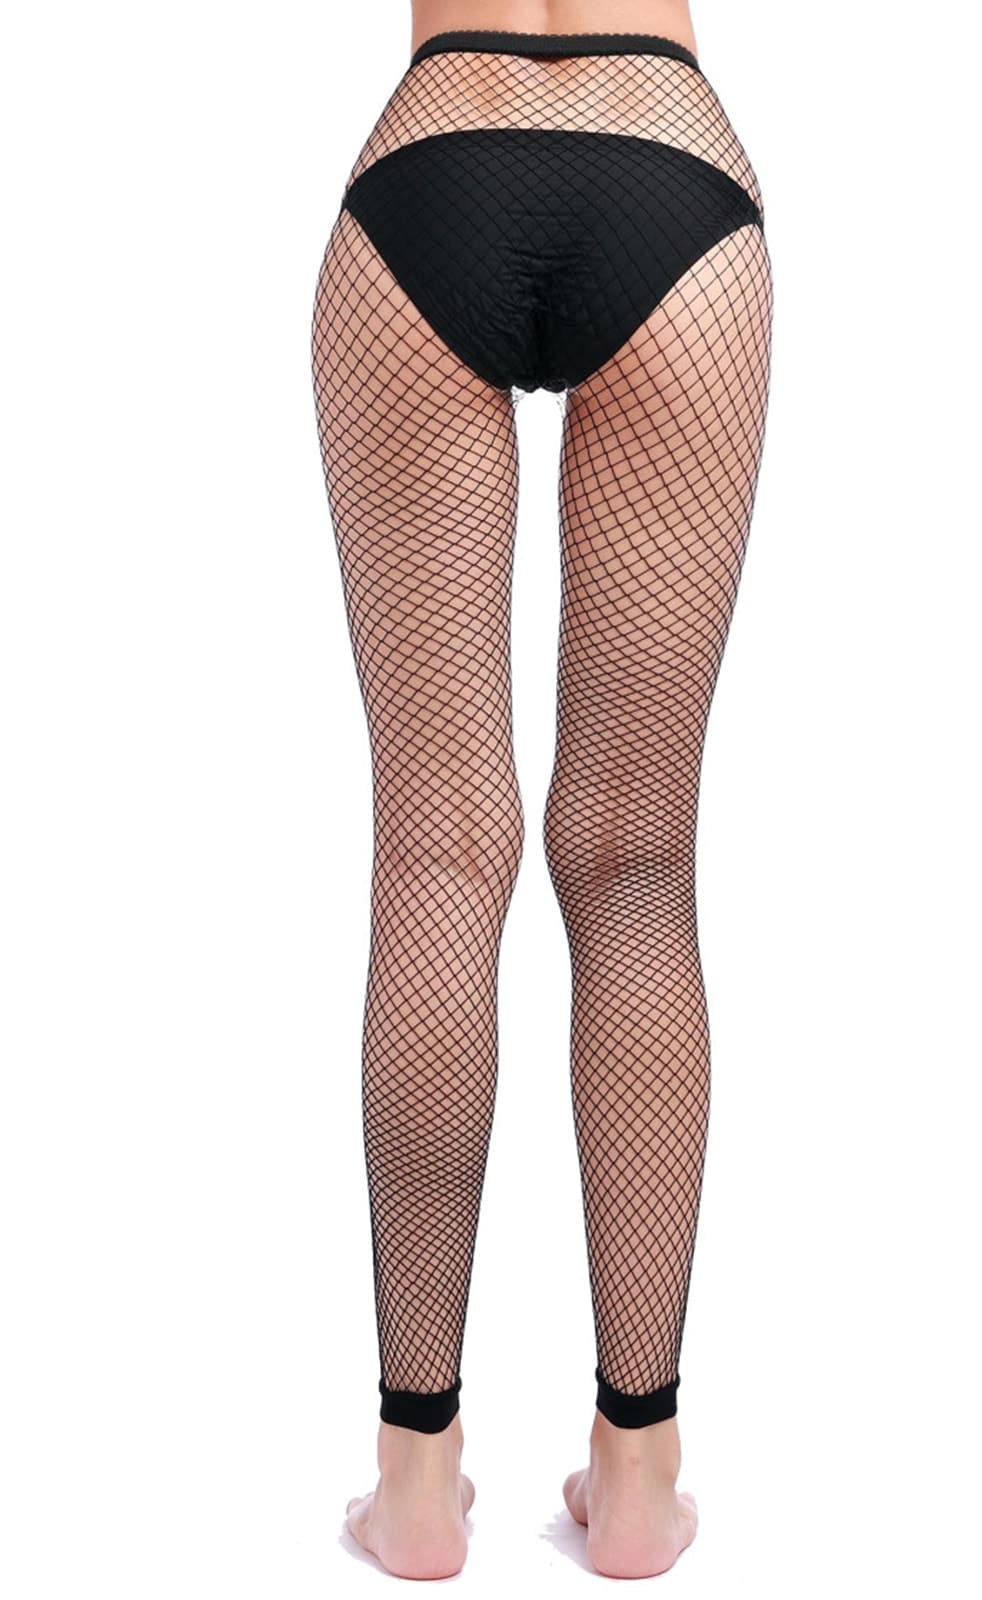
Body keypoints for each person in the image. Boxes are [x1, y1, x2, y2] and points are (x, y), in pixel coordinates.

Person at [310, 0, 773, 1578]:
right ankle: (637, 1476)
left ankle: (414, 1475)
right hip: (672, 170)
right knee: (636, 865)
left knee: (435, 853)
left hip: (433, 159)